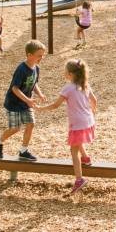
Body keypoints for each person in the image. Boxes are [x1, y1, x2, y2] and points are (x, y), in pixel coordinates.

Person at [37, 58, 98, 194]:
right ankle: (86, 158)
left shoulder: (68, 88)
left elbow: (55, 105)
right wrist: (93, 111)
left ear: (70, 74)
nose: (64, 73)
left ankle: (79, 179)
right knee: (78, 141)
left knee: (73, 151)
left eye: (65, 71)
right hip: (88, 121)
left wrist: (41, 109)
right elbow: (94, 100)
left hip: (77, 122)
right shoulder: (85, 85)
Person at [0, 40, 47, 162]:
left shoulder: (36, 68)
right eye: (39, 55)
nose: (41, 58)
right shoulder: (21, 69)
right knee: (15, 128)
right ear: (29, 55)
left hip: (26, 103)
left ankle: (23, 151)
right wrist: (28, 100)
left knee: (31, 124)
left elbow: (34, 83)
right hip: (14, 103)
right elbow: (15, 89)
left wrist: (40, 94)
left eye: (43, 55)